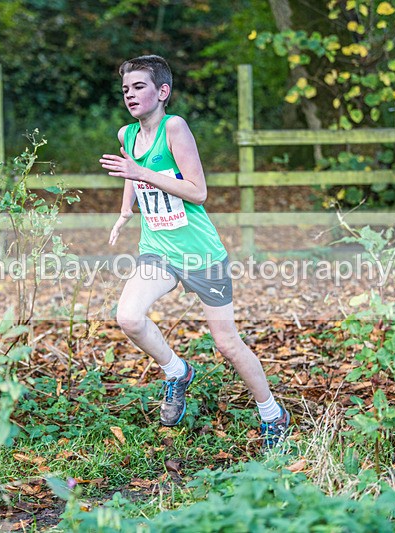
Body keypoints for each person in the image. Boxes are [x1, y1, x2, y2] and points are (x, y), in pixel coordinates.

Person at [99, 55, 290, 450]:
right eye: (125, 90)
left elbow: (198, 192)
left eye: (139, 87)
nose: (130, 95)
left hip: (202, 256)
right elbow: (130, 170)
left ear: (163, 91)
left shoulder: (175, 128)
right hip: (158, 251)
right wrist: (125, 210)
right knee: (129, 317)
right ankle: (177, 371)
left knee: (227, 343)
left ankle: (273, 414)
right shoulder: (127, 134)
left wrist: (143, 174)